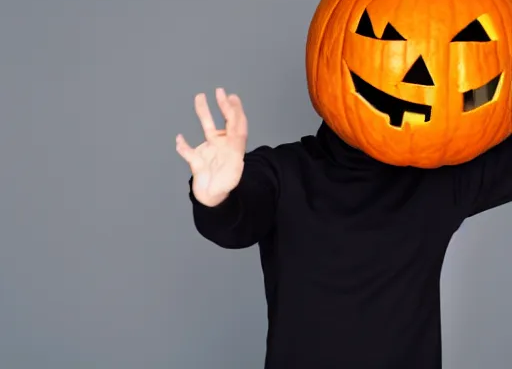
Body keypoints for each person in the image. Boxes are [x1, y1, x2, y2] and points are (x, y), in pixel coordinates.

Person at [176, 87, 512, 369]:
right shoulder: (284, 172)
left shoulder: (438, 181)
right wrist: (215, 196)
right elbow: (235, 224)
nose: (406, 81)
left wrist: (472, 91)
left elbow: (479, 94)